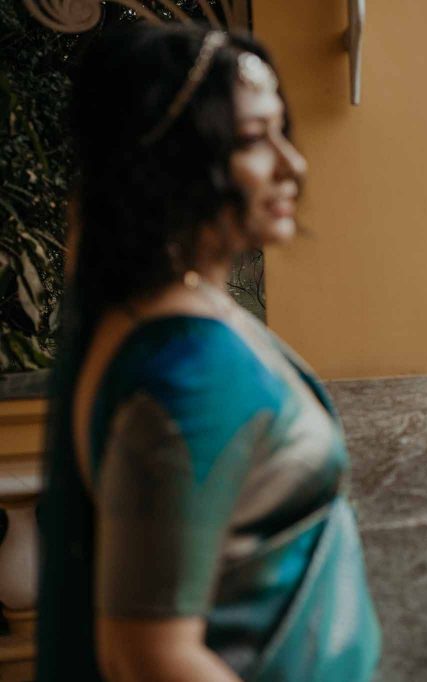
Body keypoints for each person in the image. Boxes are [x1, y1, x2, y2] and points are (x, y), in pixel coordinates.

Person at [38, 24, 380, 681]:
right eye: (255, 139)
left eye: (283, 130)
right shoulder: (187, 371)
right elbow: (148, 655)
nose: (293, 164)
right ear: (171, 160)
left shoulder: (159, 311)